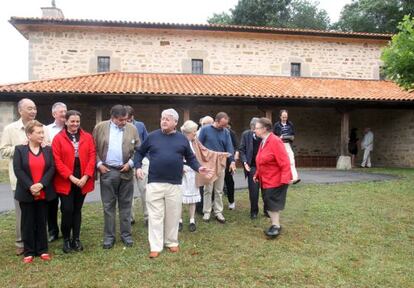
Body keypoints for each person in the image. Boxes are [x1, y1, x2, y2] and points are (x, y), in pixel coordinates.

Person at [135, 109, 212, 258]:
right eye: (162, 118)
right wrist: (137, 166)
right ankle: (155, 246)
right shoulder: (152, 137)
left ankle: (171, 242)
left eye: (167, 119)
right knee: (155, 216)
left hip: (175, 183)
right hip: (155, 182)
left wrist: (199, 167)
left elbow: (190, 158)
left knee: (173, 214)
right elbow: (139, 153)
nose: (164, 121)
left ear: (175, 123)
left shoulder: (182, 139)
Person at [93, 105, 140, 249]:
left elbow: (139, 149)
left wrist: (131, 163)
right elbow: (92, 148)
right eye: (121, 120)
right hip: (107, 171)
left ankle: (126, 235)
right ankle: (109, 237)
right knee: (108, 206)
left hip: (126, 170)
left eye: (126, 119)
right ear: (112, 118)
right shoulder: (100, 128)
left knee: (126, 205)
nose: (124, 122)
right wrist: (99, 164)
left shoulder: (132, 128)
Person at [52, 110, 96, 253]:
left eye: (77, 121)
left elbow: (92, 157)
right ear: (66, 121)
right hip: (66, 180)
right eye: (72, 121)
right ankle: (66, 239)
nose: (75, 124)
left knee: (77, 210)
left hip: (82, 180)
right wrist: (71, 177)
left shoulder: (87, 137)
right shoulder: (58, 138)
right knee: (67, 210)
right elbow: (57, 161)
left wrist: (86, 176)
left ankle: (76, 239)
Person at [0, 98, 39, 255]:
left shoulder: (39, 127)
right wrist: (20, 148)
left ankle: (36, 240)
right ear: (20, 110)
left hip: (38, 178)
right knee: (21, 212)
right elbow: (3, 150)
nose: (33, 111)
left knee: (38, 211)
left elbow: (47, 146)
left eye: (34, 108)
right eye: (29, 108)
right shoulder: (11, 129)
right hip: (20, 179)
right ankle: (20, 242)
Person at [13, 120, 56, 263]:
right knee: (27, 222)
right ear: (29, 135)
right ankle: (29, 251)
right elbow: (18, 170)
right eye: (39, 132)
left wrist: (41, 185)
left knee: (41, 221)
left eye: (42, 132)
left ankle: (42, 250)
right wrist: (31, 186)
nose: (42, 135)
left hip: (44, 192)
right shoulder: (20, 150)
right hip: (26, 192)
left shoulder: (48, 150)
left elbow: (51, 169)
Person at [179, 120, 228, 232]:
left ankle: (192, 220)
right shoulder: (179, 140)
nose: (195, 135)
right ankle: (179, 220)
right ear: (187, 132)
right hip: (181, 172)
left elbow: (205, 151)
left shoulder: (195, 141)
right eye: (194, 132)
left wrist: (219, 155)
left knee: (193, 197)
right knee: (180, 198)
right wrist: (179, 166)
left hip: (193, 171)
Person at [254, 117, 291, 238]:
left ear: (264, 129)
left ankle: (276, 226)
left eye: (257, 128)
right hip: (266, 179)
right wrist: (257, 174)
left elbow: (284, 161)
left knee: (272, 203)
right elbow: (261, 160)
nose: (254, 130)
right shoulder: (264, 141)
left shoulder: (275, 141)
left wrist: (285, 180)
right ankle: (275, 224)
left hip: (275, 179)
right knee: (268, 202)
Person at [198, 112, 236, 223]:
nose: (224, 127)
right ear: (216, 121)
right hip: (208, 164)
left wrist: (232, 161)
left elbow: (229, 147)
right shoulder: (205, 130)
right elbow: (199, 145)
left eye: (226, 125)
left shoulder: (226, 132)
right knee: (207, 189)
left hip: (220, 163)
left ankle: (218, 212)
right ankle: (206, 212)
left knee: (219, 190)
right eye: (222, 125)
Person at [46, 102, 67, 243]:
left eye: (65, 111)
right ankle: (53, 231)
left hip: (67, 172)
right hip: (51, 171)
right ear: (54, 114)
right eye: (61, 112)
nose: (64, 114)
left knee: (66, 204)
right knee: (51, 203)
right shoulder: (46, 129)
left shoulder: (71, 128)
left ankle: (67, 228)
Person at [125, 105, 149, 226]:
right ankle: (130, 217)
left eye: (128, 120)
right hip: (127, 161)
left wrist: (147, 158)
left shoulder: (140, 125)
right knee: (129, 190)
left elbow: (147, 141)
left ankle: (147, 216)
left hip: (141, 160)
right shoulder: (121, 125)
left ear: (132, 117)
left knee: (144, 189)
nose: (126, 122)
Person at [239, 117, 263, 219]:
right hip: (252, 166)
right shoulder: (246, 135)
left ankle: (267, 210)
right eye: (257, 127)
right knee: (254, 191)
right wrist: (245, 163)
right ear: (252, 127)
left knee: (266, 190)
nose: (259, 129)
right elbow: (241, 149)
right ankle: (254, 212)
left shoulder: (264, 136)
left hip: (264, 167)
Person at [273, 109, 300, 184]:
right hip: (280, 145)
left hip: (288, 144)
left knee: (291, 160)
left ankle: (295, 178)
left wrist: (290, 137)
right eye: (283, 117)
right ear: (280, 117)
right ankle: (280, 179)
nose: (285, 119)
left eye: (286, 117)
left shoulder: (290, 124)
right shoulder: (276, 125)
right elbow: (273, 136)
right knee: (280, 162)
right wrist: (280, 137)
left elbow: (293, 134)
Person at [195, 115, 215, 215]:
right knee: (201, 185)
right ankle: (200, 207)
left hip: (210, 162)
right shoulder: (197, 134)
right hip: (201, 163)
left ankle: (209, 205)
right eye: (203, 124)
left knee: (210, 185)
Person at [224, 122, 238, 210]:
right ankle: (214, 202)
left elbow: (236, 146)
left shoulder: (231, 132)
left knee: (229, 181)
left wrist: (234, 158)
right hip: (218, 159)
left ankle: (231, 201)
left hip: (228, 160)